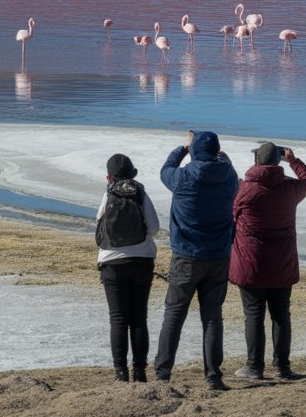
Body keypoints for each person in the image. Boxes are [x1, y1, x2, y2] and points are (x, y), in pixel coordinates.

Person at [153, 130, 239, 391]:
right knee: (212, 316)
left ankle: (162, 373)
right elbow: (226, 163)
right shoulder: (229, 177)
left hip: (187, 256)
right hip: (218, 256)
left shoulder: (183, 178)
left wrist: (183, 148)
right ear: (216, 151)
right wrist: (216, 152)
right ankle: (213, 376)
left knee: (175, 313)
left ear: (195, 151)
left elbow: (165, 169)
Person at [229, 141, 306, 381]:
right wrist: (294, 161)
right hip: (281, 264)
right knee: (281, 314)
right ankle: (282, 367)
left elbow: (232, 216)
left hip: (250, 263)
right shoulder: (289, 188)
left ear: (257, 161)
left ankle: (254, 367)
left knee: (254, 315)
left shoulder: (243, 190)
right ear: (279, 160)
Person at [96, 153, 161, 383]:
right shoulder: (141, 192)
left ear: (108, 176)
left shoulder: (108, 194)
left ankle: (120, 373)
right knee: (139, 318)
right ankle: (140, 372)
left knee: (118, 319)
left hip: (111, 262)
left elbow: (99, 226)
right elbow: (154, 228)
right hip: (142, 261)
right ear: (132, 174)